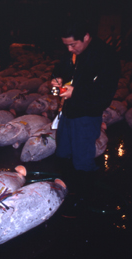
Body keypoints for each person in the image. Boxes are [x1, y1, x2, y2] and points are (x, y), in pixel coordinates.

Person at [51, 17, 120, 197]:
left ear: (87, 37)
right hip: (67, 112)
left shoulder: (106, 56)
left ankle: (84, 195)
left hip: (86, 116)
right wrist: (57, 78)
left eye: (73, 45)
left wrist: (76, 93)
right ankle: (65, 188)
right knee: (63, 151)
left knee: (82, 160)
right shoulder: (72, 51)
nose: (69, 49)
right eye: (66, 45)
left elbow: (104, 92)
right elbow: (62, 68)